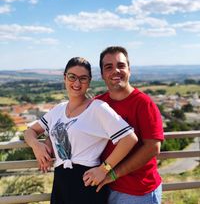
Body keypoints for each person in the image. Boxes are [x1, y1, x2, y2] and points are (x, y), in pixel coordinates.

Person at [24, 57, 138, 204]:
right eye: (72, 77)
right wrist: (36, 145)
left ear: (89, 82)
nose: (77, 83)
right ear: (65, 77)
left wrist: (104, 169)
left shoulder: (97, 108)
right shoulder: (58, 109)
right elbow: (29, 131)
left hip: (87, 183)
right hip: (60, 183)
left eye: (83, 78)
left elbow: (129, 138)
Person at [91, 46, 164, 204]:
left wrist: (112, 174)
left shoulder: (144, 103)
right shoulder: (98, 103)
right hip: (105, 188)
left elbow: (152, 147)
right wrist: (40, 143)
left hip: (137, 192)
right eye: (109, 67)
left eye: (121, 65)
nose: (115, 70)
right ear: (102, 75)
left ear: (129, 70)